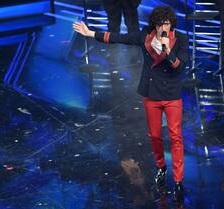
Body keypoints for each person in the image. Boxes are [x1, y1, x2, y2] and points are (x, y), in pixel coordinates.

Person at [73, 6, 189, 204]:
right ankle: (161, 168)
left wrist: (167, 50)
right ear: (155, 24)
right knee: (154, 136)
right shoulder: (145, 36)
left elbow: (180, 67)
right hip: (151, 94)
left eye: (167, 24)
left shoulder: (181, 40)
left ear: (172, 25)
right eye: (160, 24)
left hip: (171, 95)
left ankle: (178, 180)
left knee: (175, 136)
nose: (163, 27)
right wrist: (91, 33)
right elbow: (120, 38)